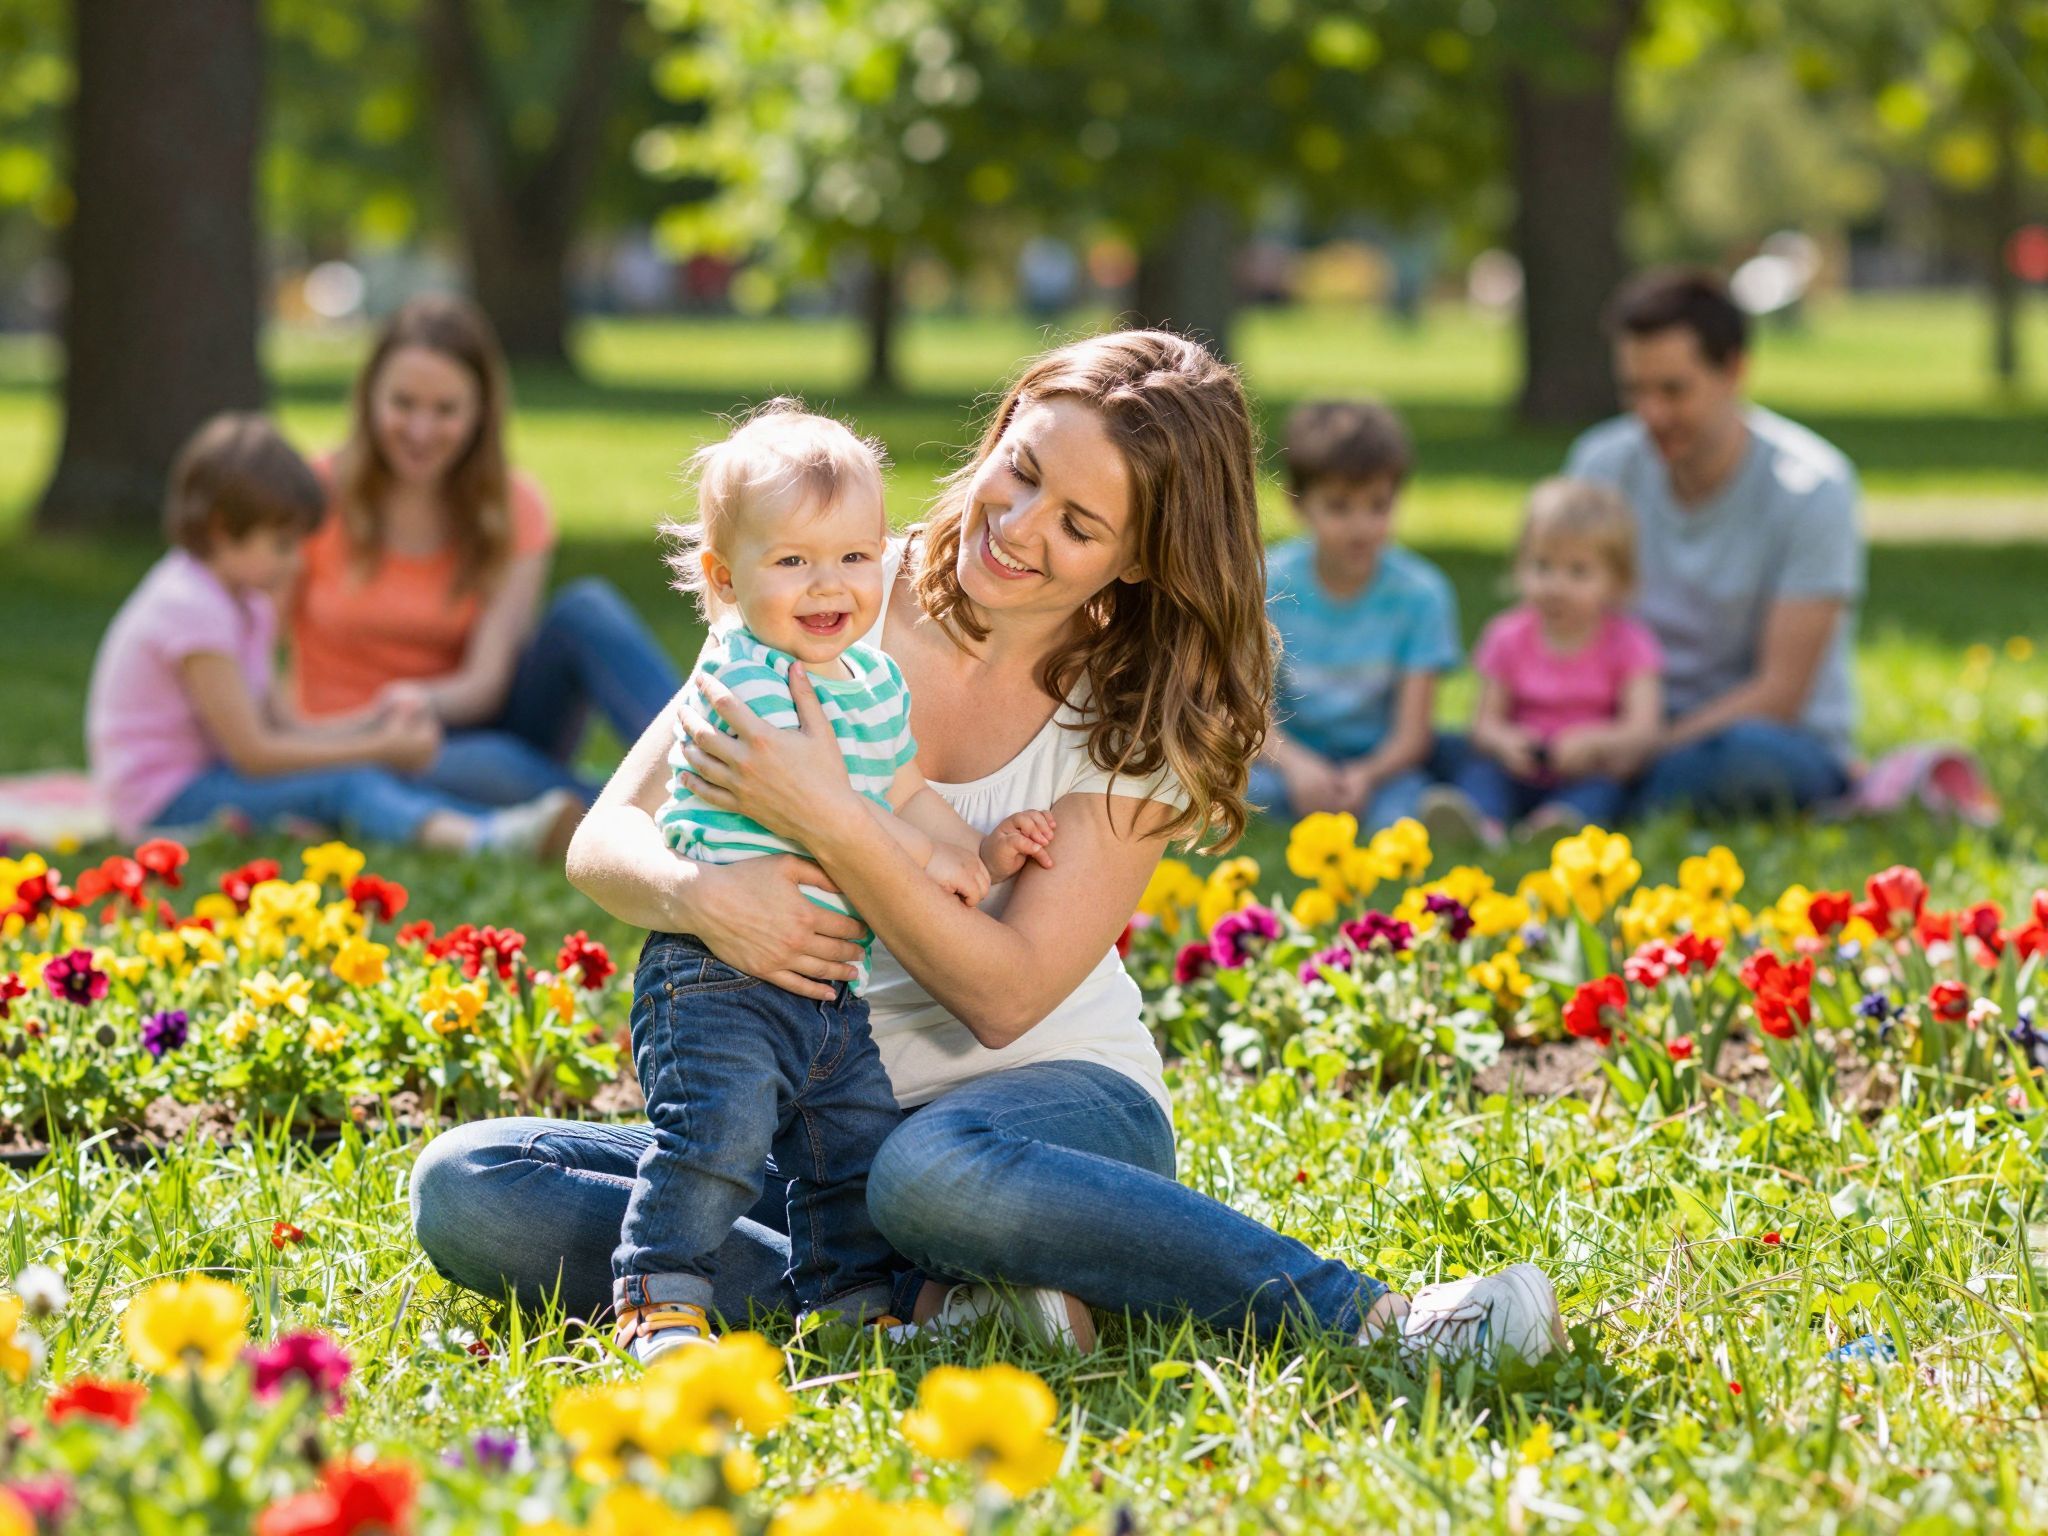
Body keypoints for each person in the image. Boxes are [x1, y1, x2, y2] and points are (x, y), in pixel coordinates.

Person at [410, 332, 1567, 1366]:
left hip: (1044, 1119)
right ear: (999, 434)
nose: (1016, 529)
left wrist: (831, 817)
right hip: (819, 1120)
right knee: (474, 1186)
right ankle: (947, 1309)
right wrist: (699, 896)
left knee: (929, 1174)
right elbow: (605, 835)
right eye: (1021, 472)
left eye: (1078, 525)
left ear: (1138, 559)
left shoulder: (1141, 704)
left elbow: (1003, 997)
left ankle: (1378, 1319)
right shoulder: (834, 583)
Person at [613, 402, 1052, 1362]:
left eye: (855, 556)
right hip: (715, 978)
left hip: (827, 986)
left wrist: (976, 855)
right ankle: (658, 1295)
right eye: (792, 561)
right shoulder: (742, 679)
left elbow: (902, 792)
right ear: (725, 580)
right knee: (715, 1139)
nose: (830, 584)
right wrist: (921, 856)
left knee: (848, 1147)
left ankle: (850, 1303)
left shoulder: (873, 682)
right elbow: (818, 807)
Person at [85, 414, 581, 853]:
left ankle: (512, 827)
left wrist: (374, 723)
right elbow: (254, 754)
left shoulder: (246, 603)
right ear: (221, 529)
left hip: (213, 777)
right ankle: (485, 838)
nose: (296, 562)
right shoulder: (190, 608)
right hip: (167, 802)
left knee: (359, 776)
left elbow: (285, 725)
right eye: (282, 545)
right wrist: (379, 750)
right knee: (348, 785)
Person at [290, 294, 681, 809]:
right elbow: (251, 644)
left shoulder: (515, 506)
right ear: (369, 399)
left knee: (586, 608)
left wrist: (416, 699)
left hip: (475, 720)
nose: (420, 430)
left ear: (479, 414)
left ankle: (702, 765)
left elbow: (485, 683)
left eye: (445, 410)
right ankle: (655, 811)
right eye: (402, 404)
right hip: (356, 742)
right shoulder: (312, 496)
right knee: (485, 767)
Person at [1566, 268, 1864, 815]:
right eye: (1634, 391)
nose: (1651, 414)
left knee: (1738, 761)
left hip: (1763, 737)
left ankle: (1604, 797)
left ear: (1734, 371)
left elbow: (1781, 693)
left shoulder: (1812, 488)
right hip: (1627, 722)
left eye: (1673, 391)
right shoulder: (1601, 464)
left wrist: (1646, 747)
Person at [1253, 400, 1460, 830]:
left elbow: (1413, 736)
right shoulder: (1264, 583)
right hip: (1284, 761)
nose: (1361, 526)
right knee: (1246, 794)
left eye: (1378, 505)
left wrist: (1366, 775)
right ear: (1297, 503)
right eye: (1339, 506)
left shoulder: (1422, 594)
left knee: (1399, 812)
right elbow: (1243, 713)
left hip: (1380, 769)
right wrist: (1298, 768)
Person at [1422, 479, 1662, 844]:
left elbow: (1644, 731)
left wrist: (1597, 742)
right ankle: (1481, 824)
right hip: (1517, 769)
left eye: (1578, 571)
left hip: (1586, 771)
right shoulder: (1506, 636)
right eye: (1542, 566)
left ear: (1616, 581)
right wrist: (1506, 742)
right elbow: (1483, 725)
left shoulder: (1630, 644)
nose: (1556, 585)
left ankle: (1558, 826)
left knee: (1605, 790)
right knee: (1481, 772)